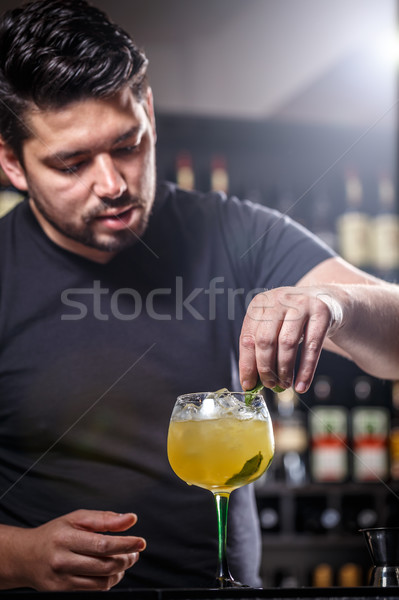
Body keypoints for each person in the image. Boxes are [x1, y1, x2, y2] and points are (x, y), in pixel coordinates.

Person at [0, 0, 397, 592]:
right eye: (71, 163)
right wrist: (20, 556)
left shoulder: (235, 231)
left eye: (127, 146)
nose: (111, 184)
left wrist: (336, 304)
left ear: (150, 115)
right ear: (11, 161)